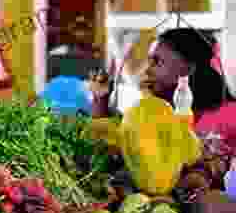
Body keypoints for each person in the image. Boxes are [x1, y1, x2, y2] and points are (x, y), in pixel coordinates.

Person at [91, 27, 236, 147]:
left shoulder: (229, 117)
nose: (147, 71)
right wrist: (100, 100)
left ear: (187, 69)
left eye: (157, 62)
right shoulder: (153, 116)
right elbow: (111, 152)